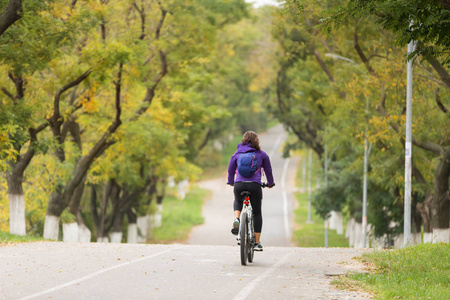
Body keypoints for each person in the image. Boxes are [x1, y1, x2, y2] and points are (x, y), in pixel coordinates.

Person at [227, 131, 275, 251]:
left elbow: (230, 169)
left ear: (243, 140)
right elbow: (268, 170)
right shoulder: (261, 154)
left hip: (239, 184)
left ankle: (237, 218)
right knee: (257, 212)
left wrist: (231, 182)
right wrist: (270, 183)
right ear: (256, 141)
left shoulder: (237, 154)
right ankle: (257, 243)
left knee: (238, 199)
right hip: (255, 186)